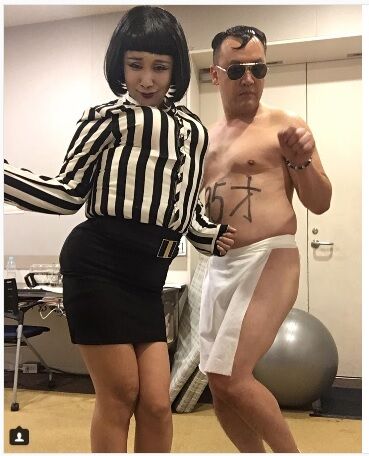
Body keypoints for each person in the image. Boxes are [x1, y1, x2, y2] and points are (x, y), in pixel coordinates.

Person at [3, 6, 235, 453]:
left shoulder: (195, 130)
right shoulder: (106, 118)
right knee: (121, 393)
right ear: (119, 66)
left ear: (175, 70)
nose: (146, 79)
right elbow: (67, 193)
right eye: (135, 65)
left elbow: (188, 208)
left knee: (158, 404)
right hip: (99, 264)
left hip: (148, 277)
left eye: (159, 67)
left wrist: (210, 235)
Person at [198, 25, 332, 453]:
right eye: (237, 70)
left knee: (233, 375)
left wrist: (301, 161)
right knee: (218, 384)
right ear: (216, 74)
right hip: (220, 264)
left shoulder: (285, 126)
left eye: (258, 68)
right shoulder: (203, 137)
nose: (249, 79)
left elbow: (320, 202)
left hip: (270, 256)